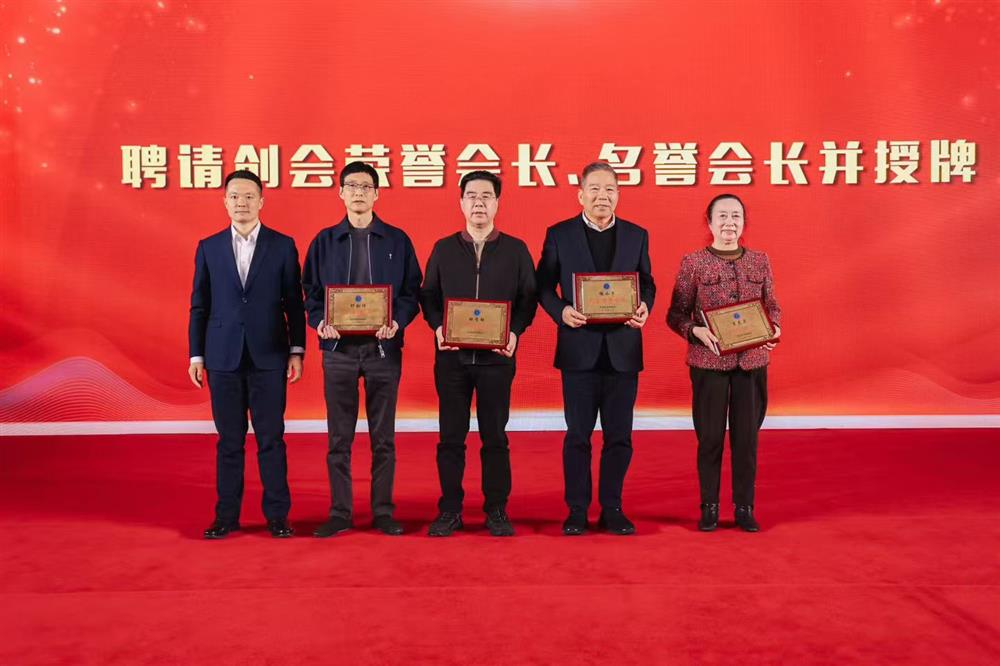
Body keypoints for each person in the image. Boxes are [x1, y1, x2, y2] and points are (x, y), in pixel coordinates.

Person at [302, 162, 422, 537]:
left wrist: (397, 321)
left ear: (377, 194)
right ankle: (340, 512)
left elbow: (411, 293)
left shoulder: (397, 240)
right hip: (338, 350)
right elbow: (310, 294)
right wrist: (319, 321)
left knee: (383, 438)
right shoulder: (324, 241)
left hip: (383, 349)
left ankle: (383, 511)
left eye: (366, 186)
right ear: (340, 192)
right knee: (339, 439)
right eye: (351, 185)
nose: (358, 192)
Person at [536, 161, 655, 536]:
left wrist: (644, 306)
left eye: (610, 190)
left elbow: (647, 282)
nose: (602, 196)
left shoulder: (636, 235)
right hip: (579, 350)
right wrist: (561, 311)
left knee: (620, 436)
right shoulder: (560, 234)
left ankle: (612, 507)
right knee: (578, 436)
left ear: (618, 194)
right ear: (581, 194)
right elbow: (542, 286)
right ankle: (576, 510)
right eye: (595, 189)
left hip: (623, 351)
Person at [188, 169, 305, 539]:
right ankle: (226, 516)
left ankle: (278, 516)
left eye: (249, 196)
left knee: (272, 439)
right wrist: (196, 356)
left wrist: (297, 350)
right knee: (229, 441)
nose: (242, 202)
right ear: (225, 201)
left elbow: (294, 303)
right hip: (222, 357)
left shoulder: (282, 245)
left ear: (261, 201)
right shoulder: (208, 247)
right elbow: (199, 306)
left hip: (269, 355)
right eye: (235, 196)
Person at [419, 171, 537, 537]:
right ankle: (450, 510)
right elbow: (428, 295)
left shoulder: (516, 250)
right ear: (461, 202)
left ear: (497, 203)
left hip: (496, 361)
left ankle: (497, 509)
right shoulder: (443, 248)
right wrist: (438, 327)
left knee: (495, 437)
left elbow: (528, 298)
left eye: (487, 196)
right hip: (452, 360)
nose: (479, 202)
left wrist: (515, 331)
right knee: (450, 438)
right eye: (472, 196)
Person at [666, 193, 782, 532]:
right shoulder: (693, 262)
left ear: (743, 222)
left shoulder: (760, 261)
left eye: (736, 216)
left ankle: (744, 507)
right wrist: (695, 331)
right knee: (710, 438)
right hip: (709, 363)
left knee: (747, 440)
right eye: (722, 216)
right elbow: (676, 313)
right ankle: (710, 507)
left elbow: (772, 306)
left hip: (752, 362)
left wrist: (775, 327)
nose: (729, 223)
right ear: (710, 221)